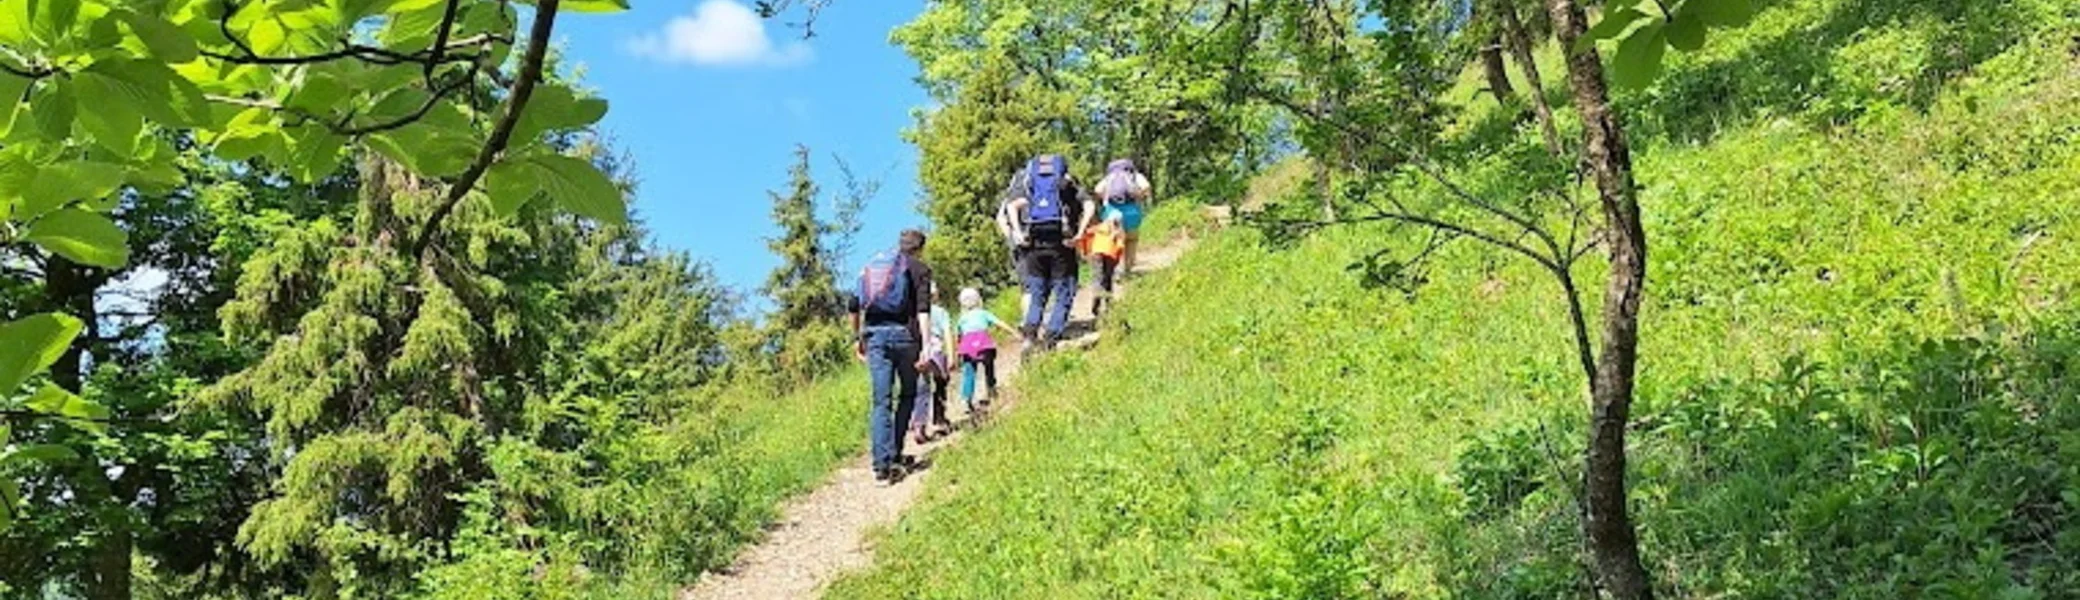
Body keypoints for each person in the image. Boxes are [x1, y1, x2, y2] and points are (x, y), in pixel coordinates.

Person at [850, 229, 936, 485]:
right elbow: (923, 310)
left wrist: (858, 338)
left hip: (875, 337)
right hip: (906, 338)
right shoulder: (920, 269)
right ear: (920, 248)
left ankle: (881, 465)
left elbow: (853, 306)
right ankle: (895, 454)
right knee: (908, 395)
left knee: (881, 402)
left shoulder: (875, 267)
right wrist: (927, 345)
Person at [1006, 154, 1093, 352]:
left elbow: (1012, 206)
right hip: (1062, 244)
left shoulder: (1032, 186)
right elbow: (1089, 205)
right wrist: (1080, 233)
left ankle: (1029, 336)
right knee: (1065, 291)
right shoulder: (1067, 185)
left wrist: (1018, 233)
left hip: (1034, 245)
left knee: (1037, 293)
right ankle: (1051, 338)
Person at [954, 287, 1021, 414]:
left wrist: (957, 352)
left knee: (969, 372)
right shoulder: (983, 313)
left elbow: (958, 335)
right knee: (989, 367)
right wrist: (1014, 332)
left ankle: (966, 399)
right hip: (984, 345)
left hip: (968, 347)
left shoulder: (962, 318)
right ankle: (991, 389)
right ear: (979, 299)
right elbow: (999, 323)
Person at [910, 285, 956, 444]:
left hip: (919, 352)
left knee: (922, 388)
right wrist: (951, 356)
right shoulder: (941, 312)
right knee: (941, 383)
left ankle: (919, 425)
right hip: (936, 352)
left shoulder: (913, 312)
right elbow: (948, 334)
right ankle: (940, 420)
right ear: (935, 295)